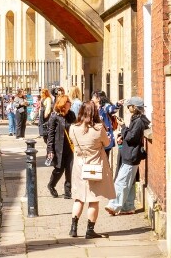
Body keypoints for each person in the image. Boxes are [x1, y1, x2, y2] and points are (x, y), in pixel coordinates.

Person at [69, 102, 115, 239]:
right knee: (93, 199)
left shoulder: (73, 128)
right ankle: (90, 231)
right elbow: (107, 143)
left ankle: (73, 228)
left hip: (79, 166)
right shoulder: (98, 129)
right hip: (94, 167)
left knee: (79, 198)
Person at [107, 96, 149, 216]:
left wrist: (123, 127)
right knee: (129, 183)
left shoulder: (138, 121)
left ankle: (114, 205)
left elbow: (131, 137)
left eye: (129, 106)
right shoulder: (136, 119)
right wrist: (123, 133)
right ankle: (128, 207)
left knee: (121, 181)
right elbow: (130, 135)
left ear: (134, 107)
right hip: (131, 154)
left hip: (131, 155)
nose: (128, 108)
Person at [44, 93, 75, 198]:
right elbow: (50, 135)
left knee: (69, 169)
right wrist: (50, 150)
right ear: (63, 104)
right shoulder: (54, 116)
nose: (70, 103)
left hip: (70, 147)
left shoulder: (71, 115)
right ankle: (51, 185)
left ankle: (68, 191)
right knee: (59, 169)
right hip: (58, 148)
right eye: (68, 101)